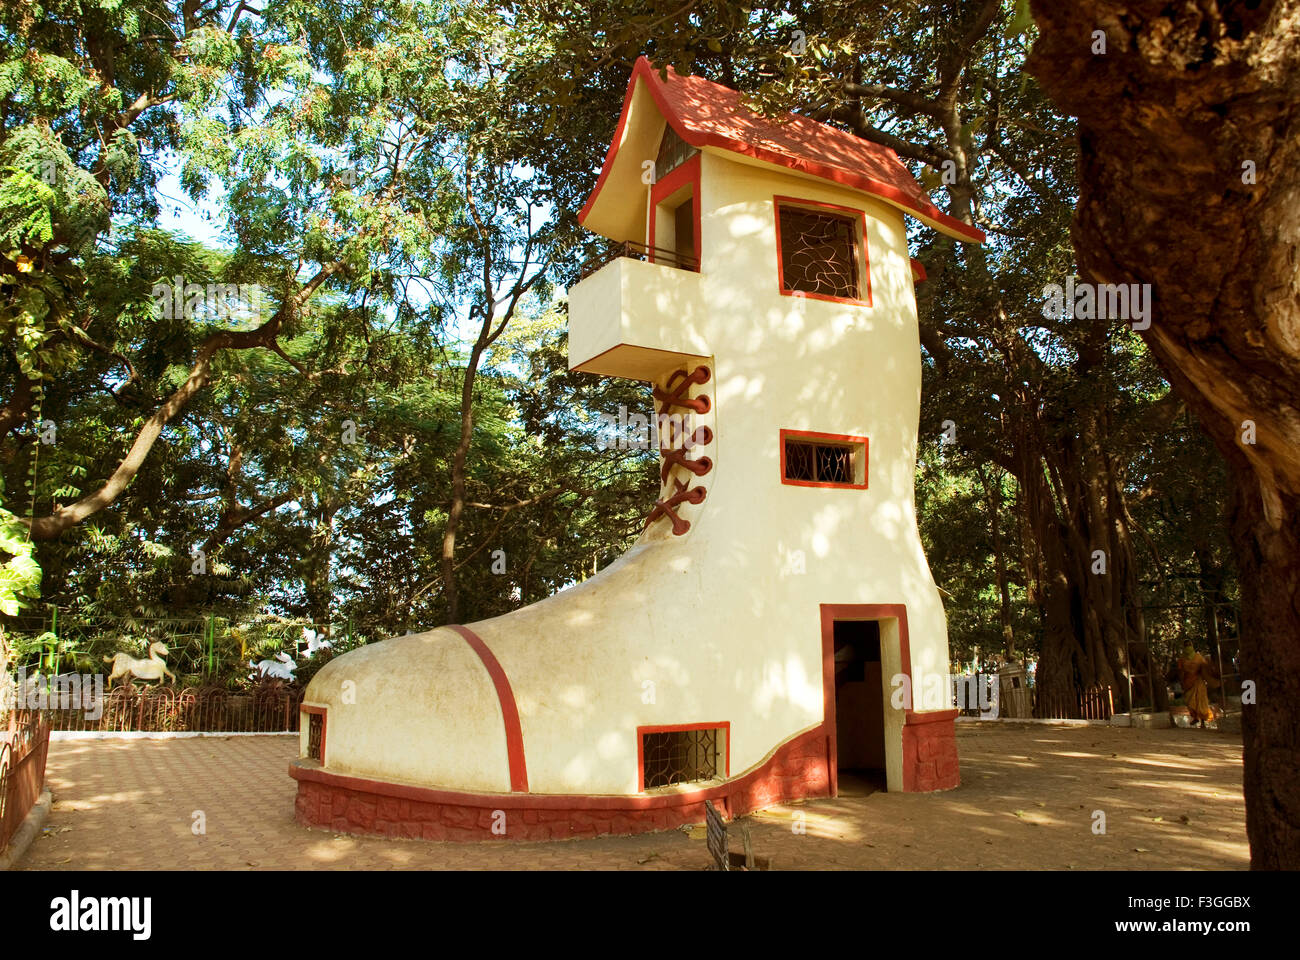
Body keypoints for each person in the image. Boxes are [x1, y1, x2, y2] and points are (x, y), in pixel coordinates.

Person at [1175, 643, 1219, 728]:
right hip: (1188, 684)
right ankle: (1195, 717)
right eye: (1186, 646)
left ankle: (1203, 722)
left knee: (1201, 703)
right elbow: (1180, 672)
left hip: (1199, 682)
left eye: (1189, 646)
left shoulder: (1199, 657)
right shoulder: (1182, 659)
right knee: (1189, 701)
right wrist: (1182, 682)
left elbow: (1205, 668)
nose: (1188, 648)